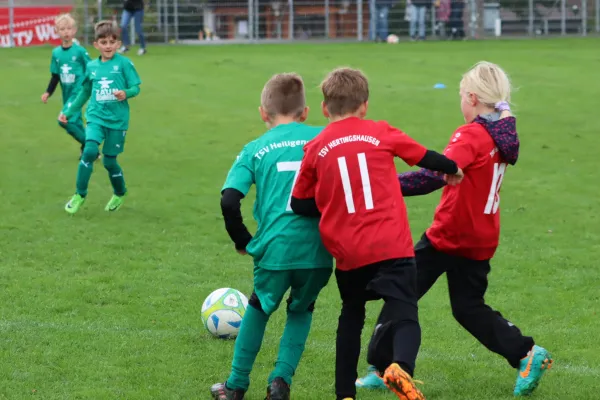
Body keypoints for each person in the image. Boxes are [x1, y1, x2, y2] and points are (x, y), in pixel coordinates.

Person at [356, 62, 553, 397]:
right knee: (467, 306)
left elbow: (436, 174)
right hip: (481, 237)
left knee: (401, 291)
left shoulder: (472, 134)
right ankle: (526, 352)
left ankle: (380, 366)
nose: (461, 103)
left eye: (462, 97)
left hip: (449, 235)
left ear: (473, 98)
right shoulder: (503, 134)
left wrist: (385, 185)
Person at [290, 67, 463, 400]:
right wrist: (452, 169)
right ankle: (400, 367)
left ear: (325, 109)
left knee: (351, 316)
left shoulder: (315, 147)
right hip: (391, 246)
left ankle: (344, 394)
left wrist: (331, 205)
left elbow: (299, 203)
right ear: (364, 105)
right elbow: (424, 156)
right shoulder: (381, 132)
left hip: (348, 252)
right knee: (404, 313)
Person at [210, 73, 333, 400]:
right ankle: (280, 381)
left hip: (275, 248)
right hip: (318, 249)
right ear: (305, 112)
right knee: (301, 310)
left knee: (259, 307)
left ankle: (235, 387)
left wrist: (242, 240)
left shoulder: (255, 148)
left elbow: (228, 200)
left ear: (263, 113)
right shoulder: (324, 139)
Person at [59, 21, 142, 214]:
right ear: (96, 44)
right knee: (89, 151)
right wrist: (69, 112)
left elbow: (136, 87)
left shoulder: (124, 64)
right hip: (96, 117)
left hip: (117, 121)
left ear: (118, 43)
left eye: (112, 42)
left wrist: (126, 93)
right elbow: (84, 92)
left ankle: (120, 192)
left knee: (109, 162)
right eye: (103, 42)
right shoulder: (92, 66)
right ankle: (79, 194)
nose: (108, 46)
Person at [41, 14, 91, 157]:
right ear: (57, 31)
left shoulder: (80, 51)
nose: (66, 32)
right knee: (76, 124)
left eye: (69, 28)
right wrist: (48, 92)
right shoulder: (56, 53)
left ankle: (90, 146)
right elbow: (55, 75)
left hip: (79, 92)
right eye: (62, 29)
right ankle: (89, 149)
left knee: (63, 120)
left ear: (74, 30)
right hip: (67, 93)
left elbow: (92, 68)